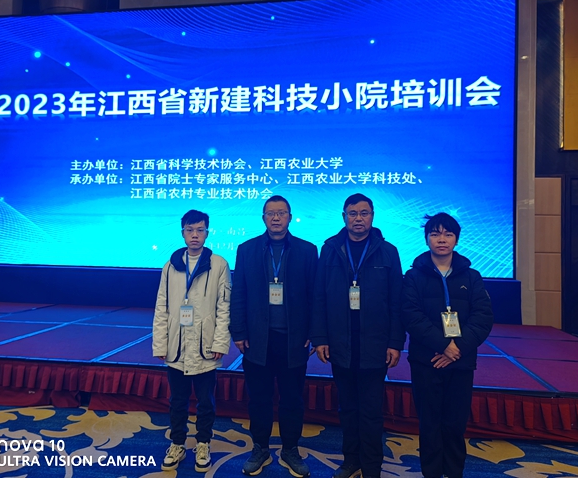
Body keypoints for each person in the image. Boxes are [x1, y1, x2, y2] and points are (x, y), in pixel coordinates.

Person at [311, 193, 405, 478]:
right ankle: (351, 460)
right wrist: (320, 338)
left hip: (375, 344)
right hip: (340, 343)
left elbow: (397, 301)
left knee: (371, 411)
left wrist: (395, 342)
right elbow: (319, 296)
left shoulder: (388, 251)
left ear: (372, 216)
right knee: (348, 408)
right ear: (344, 217)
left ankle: (372, 466)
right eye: (353, 213)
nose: (359, 219)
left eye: (364, 213)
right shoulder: (330, 249)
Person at [230, 195, 318, 478]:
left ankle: (291, 449)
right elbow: (239, 293)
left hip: (294, 340)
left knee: (292, 399)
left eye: (281, 213)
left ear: (290, 217)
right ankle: (260, 448)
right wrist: (239, 331)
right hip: (258, 339)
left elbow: (315, 295)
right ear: (263, 218)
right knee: (259, 398)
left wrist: (314, 332)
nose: (276, 218)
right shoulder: (247, 249)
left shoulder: (307, 250)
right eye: (271, 213)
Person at [401, 213, 493, 478]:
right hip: (426, 360)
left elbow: (483, 317)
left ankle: (454, 473)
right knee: (429, 424)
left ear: (456, 239)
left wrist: (457, 349)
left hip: (461, 361)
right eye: (435, 234)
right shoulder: (413, 277)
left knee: (455, 424)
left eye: (448, 234)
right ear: (426, 239)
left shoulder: (472, 277)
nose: (441, 239)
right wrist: (443, 346)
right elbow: (411, 316)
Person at [152, 209, 231, 473]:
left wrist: (220, 342)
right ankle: (177, 444)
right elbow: (161, 306)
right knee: (177, 401)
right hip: (177, 345)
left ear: (207, 233)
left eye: (200, 230)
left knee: (206, 401)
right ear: (182, 233)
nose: (194, 235)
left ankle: (203, 443)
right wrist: (160, 344)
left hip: (205, 345)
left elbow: (224, 307)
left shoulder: (218, 264)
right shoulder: (171, 265)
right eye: (189, 230)